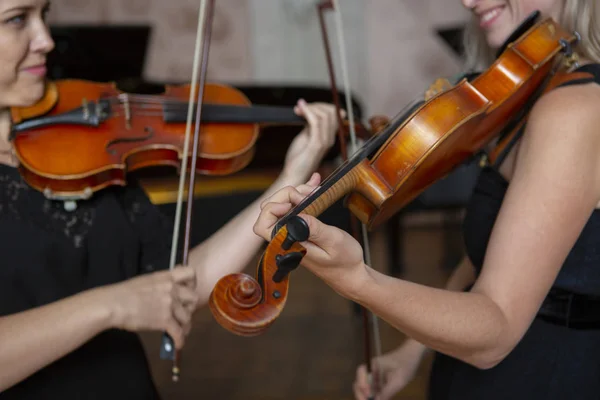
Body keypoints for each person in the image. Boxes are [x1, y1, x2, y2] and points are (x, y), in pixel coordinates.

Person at [253, 0, 600, 399]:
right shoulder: (538, 92)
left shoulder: (575, 109)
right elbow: (490, 255)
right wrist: (415, 349)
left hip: (540, 377)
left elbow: (497, 332)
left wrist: (357, 279)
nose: (469, 1)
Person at [0, 0, 342, 397]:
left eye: (45, 15)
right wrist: (111, 306)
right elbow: (126, 301)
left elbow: (183, 283)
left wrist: (289, 177)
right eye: (17, 19)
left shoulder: (81, 144)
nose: (45, 40)